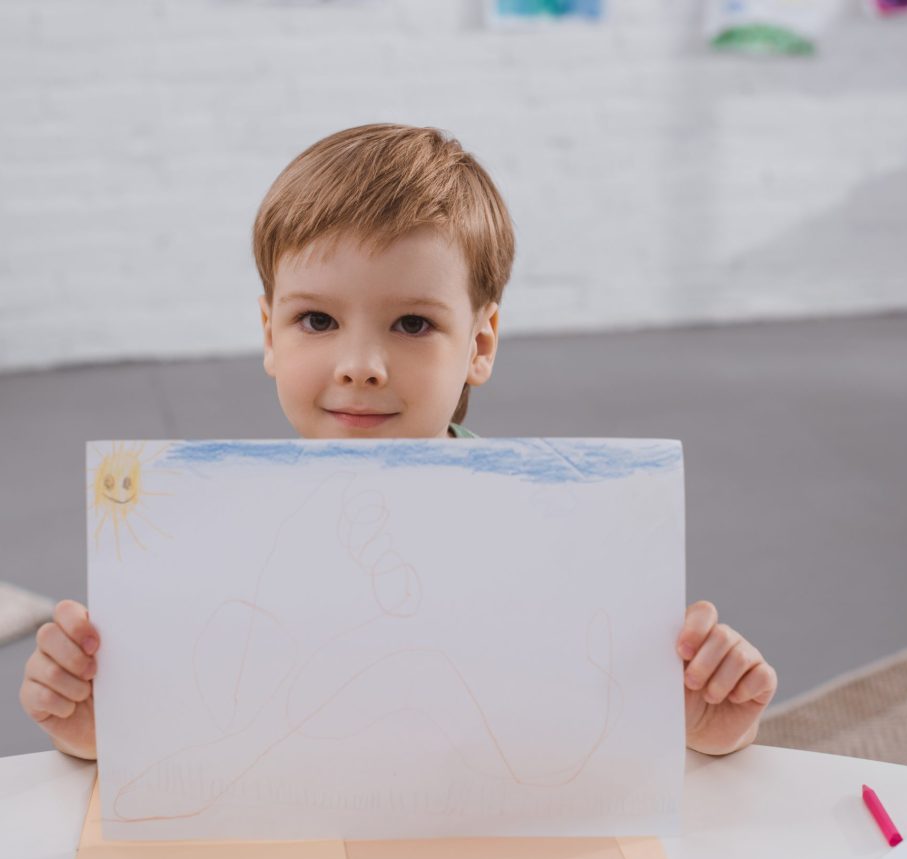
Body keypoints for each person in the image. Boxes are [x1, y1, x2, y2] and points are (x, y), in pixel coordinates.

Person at [19, 123, 777, 763]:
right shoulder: (210, 544)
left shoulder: (558, 542)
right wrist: (102, 730)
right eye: (316, 321)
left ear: (480, 343)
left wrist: (703, 730)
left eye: (412, 324)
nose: (360, 365)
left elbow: (591, 735)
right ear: (269, 334)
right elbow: (212, 731)